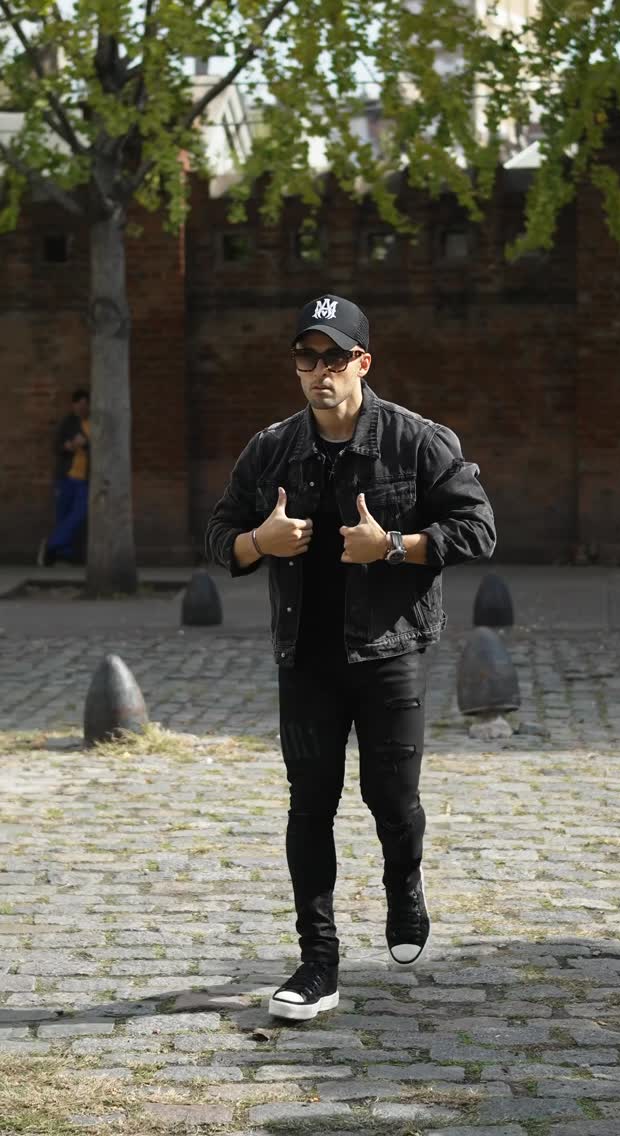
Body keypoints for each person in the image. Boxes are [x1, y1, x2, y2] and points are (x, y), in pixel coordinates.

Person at [207, 294, 496, 1022]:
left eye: (333, 357)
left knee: (391, 800)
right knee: (310, 805)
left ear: (362, 363)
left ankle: (404, 884)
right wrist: (258, 543)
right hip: (305, 656)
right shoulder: (271, 448)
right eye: (306, 358)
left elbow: (478, 529)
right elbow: (219, 534)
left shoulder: (417, 441)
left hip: (389, 651)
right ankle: (318, 962)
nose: (319, 372)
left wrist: (393, 546)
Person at [39, 388, 91, 566]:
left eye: (86, 405)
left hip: (85, 479)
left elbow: (99, 448)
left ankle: (51, 545)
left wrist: (86, 444)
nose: (83, 408)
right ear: (74, 405)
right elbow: (56, 447)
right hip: (66, 476)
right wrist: (67, 446)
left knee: (80, 513)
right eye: (80, 404)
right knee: (63, 516)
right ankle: (61, 554)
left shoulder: (93, 424)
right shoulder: (67, 423)